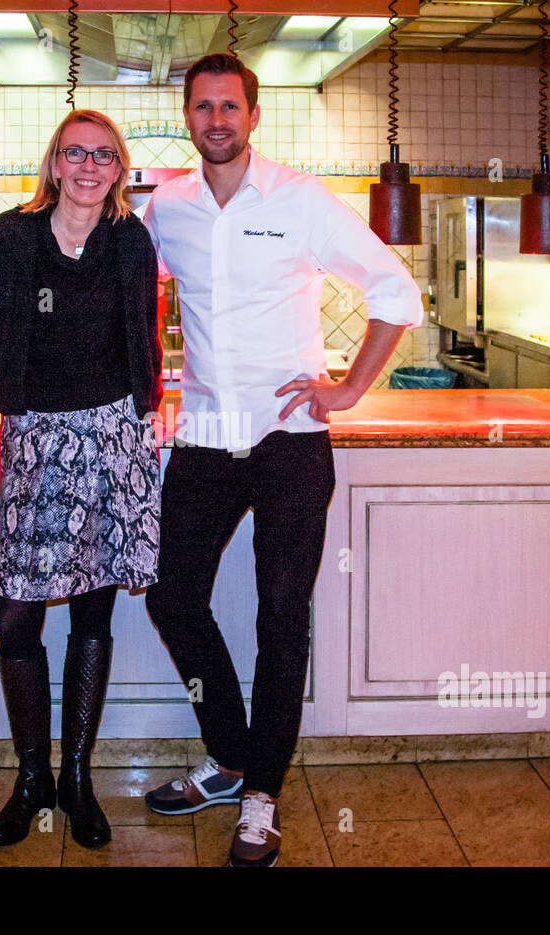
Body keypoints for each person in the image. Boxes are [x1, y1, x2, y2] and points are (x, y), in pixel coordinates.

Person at [140, 53, 423, 867]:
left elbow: (394, 289)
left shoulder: (300, 199)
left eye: (231, 107)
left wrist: (351, 388)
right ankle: (229, 758)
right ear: (187, 117)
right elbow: (125, 286)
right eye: (203, 107)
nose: (217, 120)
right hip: (204, 432)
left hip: (290, 439)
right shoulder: (171, 207)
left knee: (280, 617)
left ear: (253, 116)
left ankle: (262, 792)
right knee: (173, 595)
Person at [0, 109, 163, 850]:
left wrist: (151, 412)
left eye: (105, 155)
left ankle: (76, 779)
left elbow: (147, 334)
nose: (90, 166)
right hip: (34, 435)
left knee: (93, 612)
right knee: (17, 618)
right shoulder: (10, 235)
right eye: (77, 153)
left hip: (111, 432)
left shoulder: (130, 239)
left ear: (117, 168)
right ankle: (30, 776)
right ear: (56, 163)